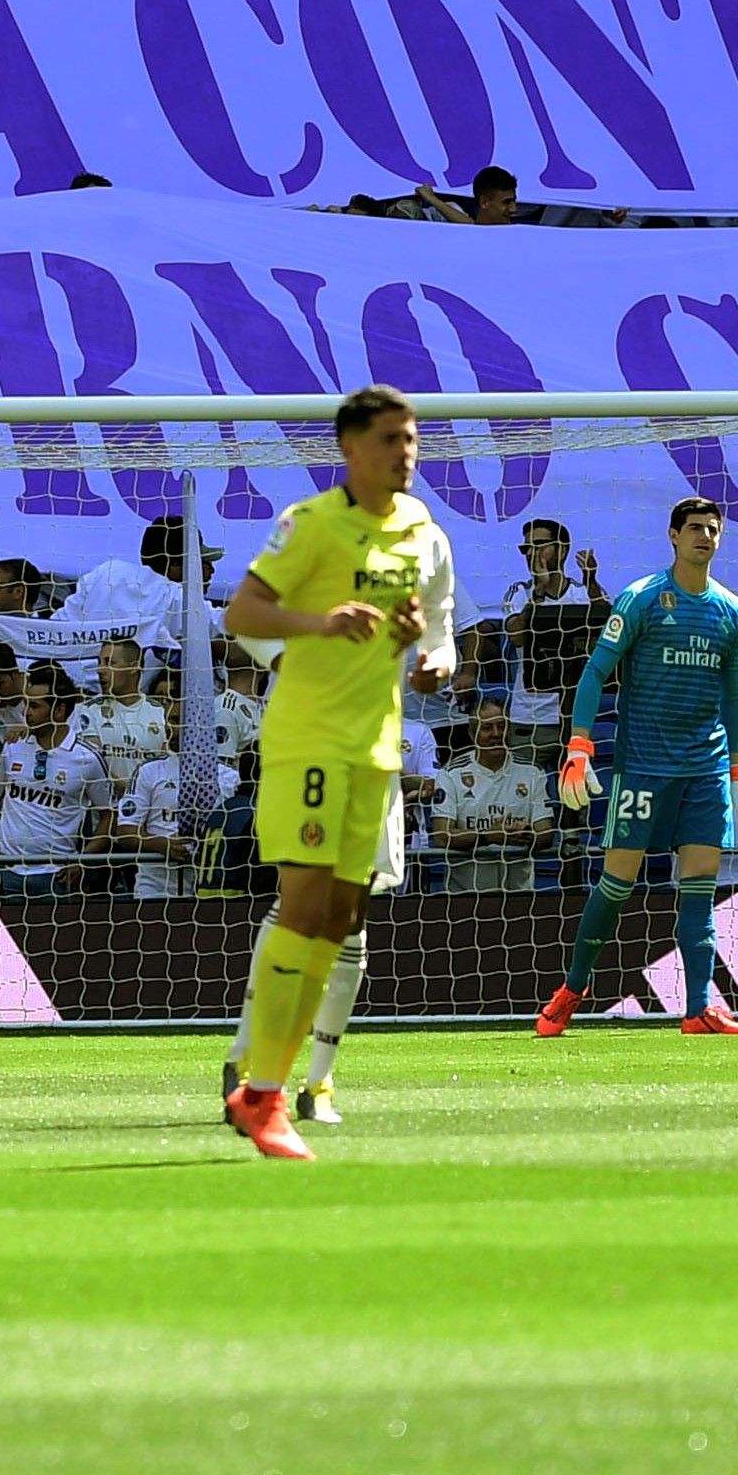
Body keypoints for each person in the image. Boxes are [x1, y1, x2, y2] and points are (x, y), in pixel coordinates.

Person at [213, 383, 459, 1160]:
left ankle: (280, 1087)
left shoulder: (422, 529)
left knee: (341, 917)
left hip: (377, 747)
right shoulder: (311, 525)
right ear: (350, 448)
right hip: (308, 740)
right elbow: (241, 614)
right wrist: (319, 623)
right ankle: (261, 1088)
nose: (406, 451)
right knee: (304, 903)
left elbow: (430, 628)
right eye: (390, 438)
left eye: (412, 437)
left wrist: (424, 654)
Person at [537, 496, 738, 1036]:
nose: (704, 536)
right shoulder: (640, 600)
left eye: (712, 529)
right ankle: (574, 986)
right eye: (694, 529)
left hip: (704, 769)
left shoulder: (732, 611)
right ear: (673, 536)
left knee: (701, 882)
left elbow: (734, 698)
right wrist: (579, 747)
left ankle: (699, 1008)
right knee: (618, 883)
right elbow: (594, 675)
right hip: (644, 769)